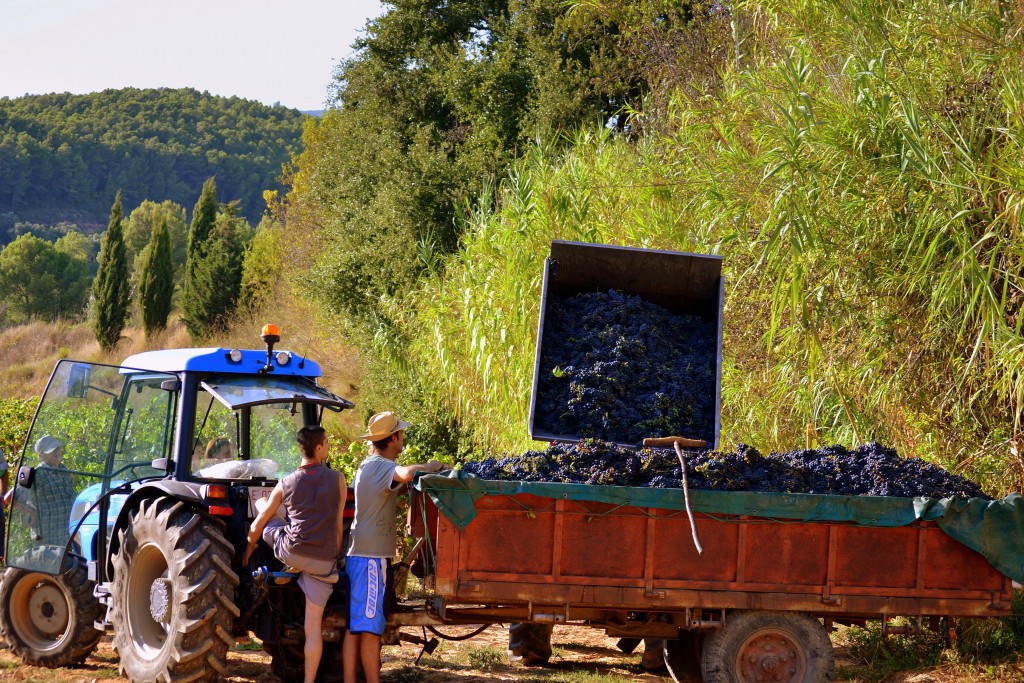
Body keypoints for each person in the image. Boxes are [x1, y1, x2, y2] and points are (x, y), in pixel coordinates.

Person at [344, 412, 445, 683]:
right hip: (371, 558)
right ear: (393, 439)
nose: (403, 438)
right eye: (400, 433)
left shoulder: (369, 465)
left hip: (360, 554)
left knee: (355, 627)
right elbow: (408, 473)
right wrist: (432, 466)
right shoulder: (382, 466)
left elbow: (389, 490)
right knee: (370, 629)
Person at [244, 426, 346, 683]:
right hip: (323, 561)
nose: (329, 444)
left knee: (263, 508)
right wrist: (333, 560)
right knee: (313, 630)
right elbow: (336, 527)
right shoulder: (338, 479)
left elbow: (257, 527)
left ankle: (292, 569)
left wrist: (249, 547)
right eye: (327, 441)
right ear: (319, 447)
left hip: (292, 551)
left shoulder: (286, 482)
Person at [2, 436, 76, 547]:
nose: (57, 452)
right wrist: (32, 512)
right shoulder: (37, 474)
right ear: (41, 455)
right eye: (52, 450)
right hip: (48, 542)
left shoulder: (64, 470)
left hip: (69, 536)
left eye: (57, 449)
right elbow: (9, 498)